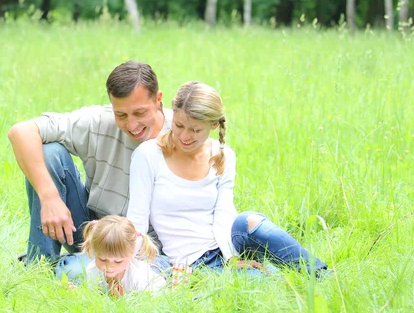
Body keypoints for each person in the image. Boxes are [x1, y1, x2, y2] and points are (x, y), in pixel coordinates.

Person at [127, 81, 328, 276]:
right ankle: (282, 274)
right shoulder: (148, 156)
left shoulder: (224, 155)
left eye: (196, 130)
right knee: (270, 281)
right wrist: (126, 268)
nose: (185, 136)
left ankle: (320, 273)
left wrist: (231, 257)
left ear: (213, 125)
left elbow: (224, 211)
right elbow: (137, 221)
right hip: (194, 262)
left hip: (229, 246)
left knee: (249, 220)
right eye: (179, 125)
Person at [8, 61, 172, 267]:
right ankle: (39, 266)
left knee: (83, 273)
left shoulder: (181, 132)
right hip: (95, 231)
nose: (132, 125)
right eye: (121, 115)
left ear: (158, 100)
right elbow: (21, 132)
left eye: (140, 113)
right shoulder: (99, 121)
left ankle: (74, 266)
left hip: (151, 248)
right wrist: (49, 198)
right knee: (50, 152)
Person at [81, 215, 166, 296]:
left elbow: (148, 304)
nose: (109, 266)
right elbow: (94, 299)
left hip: (159, 268)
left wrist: (120, 300)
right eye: (102, 259)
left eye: (118, 261)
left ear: (132, 252)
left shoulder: (140, 276)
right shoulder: (92, 271)